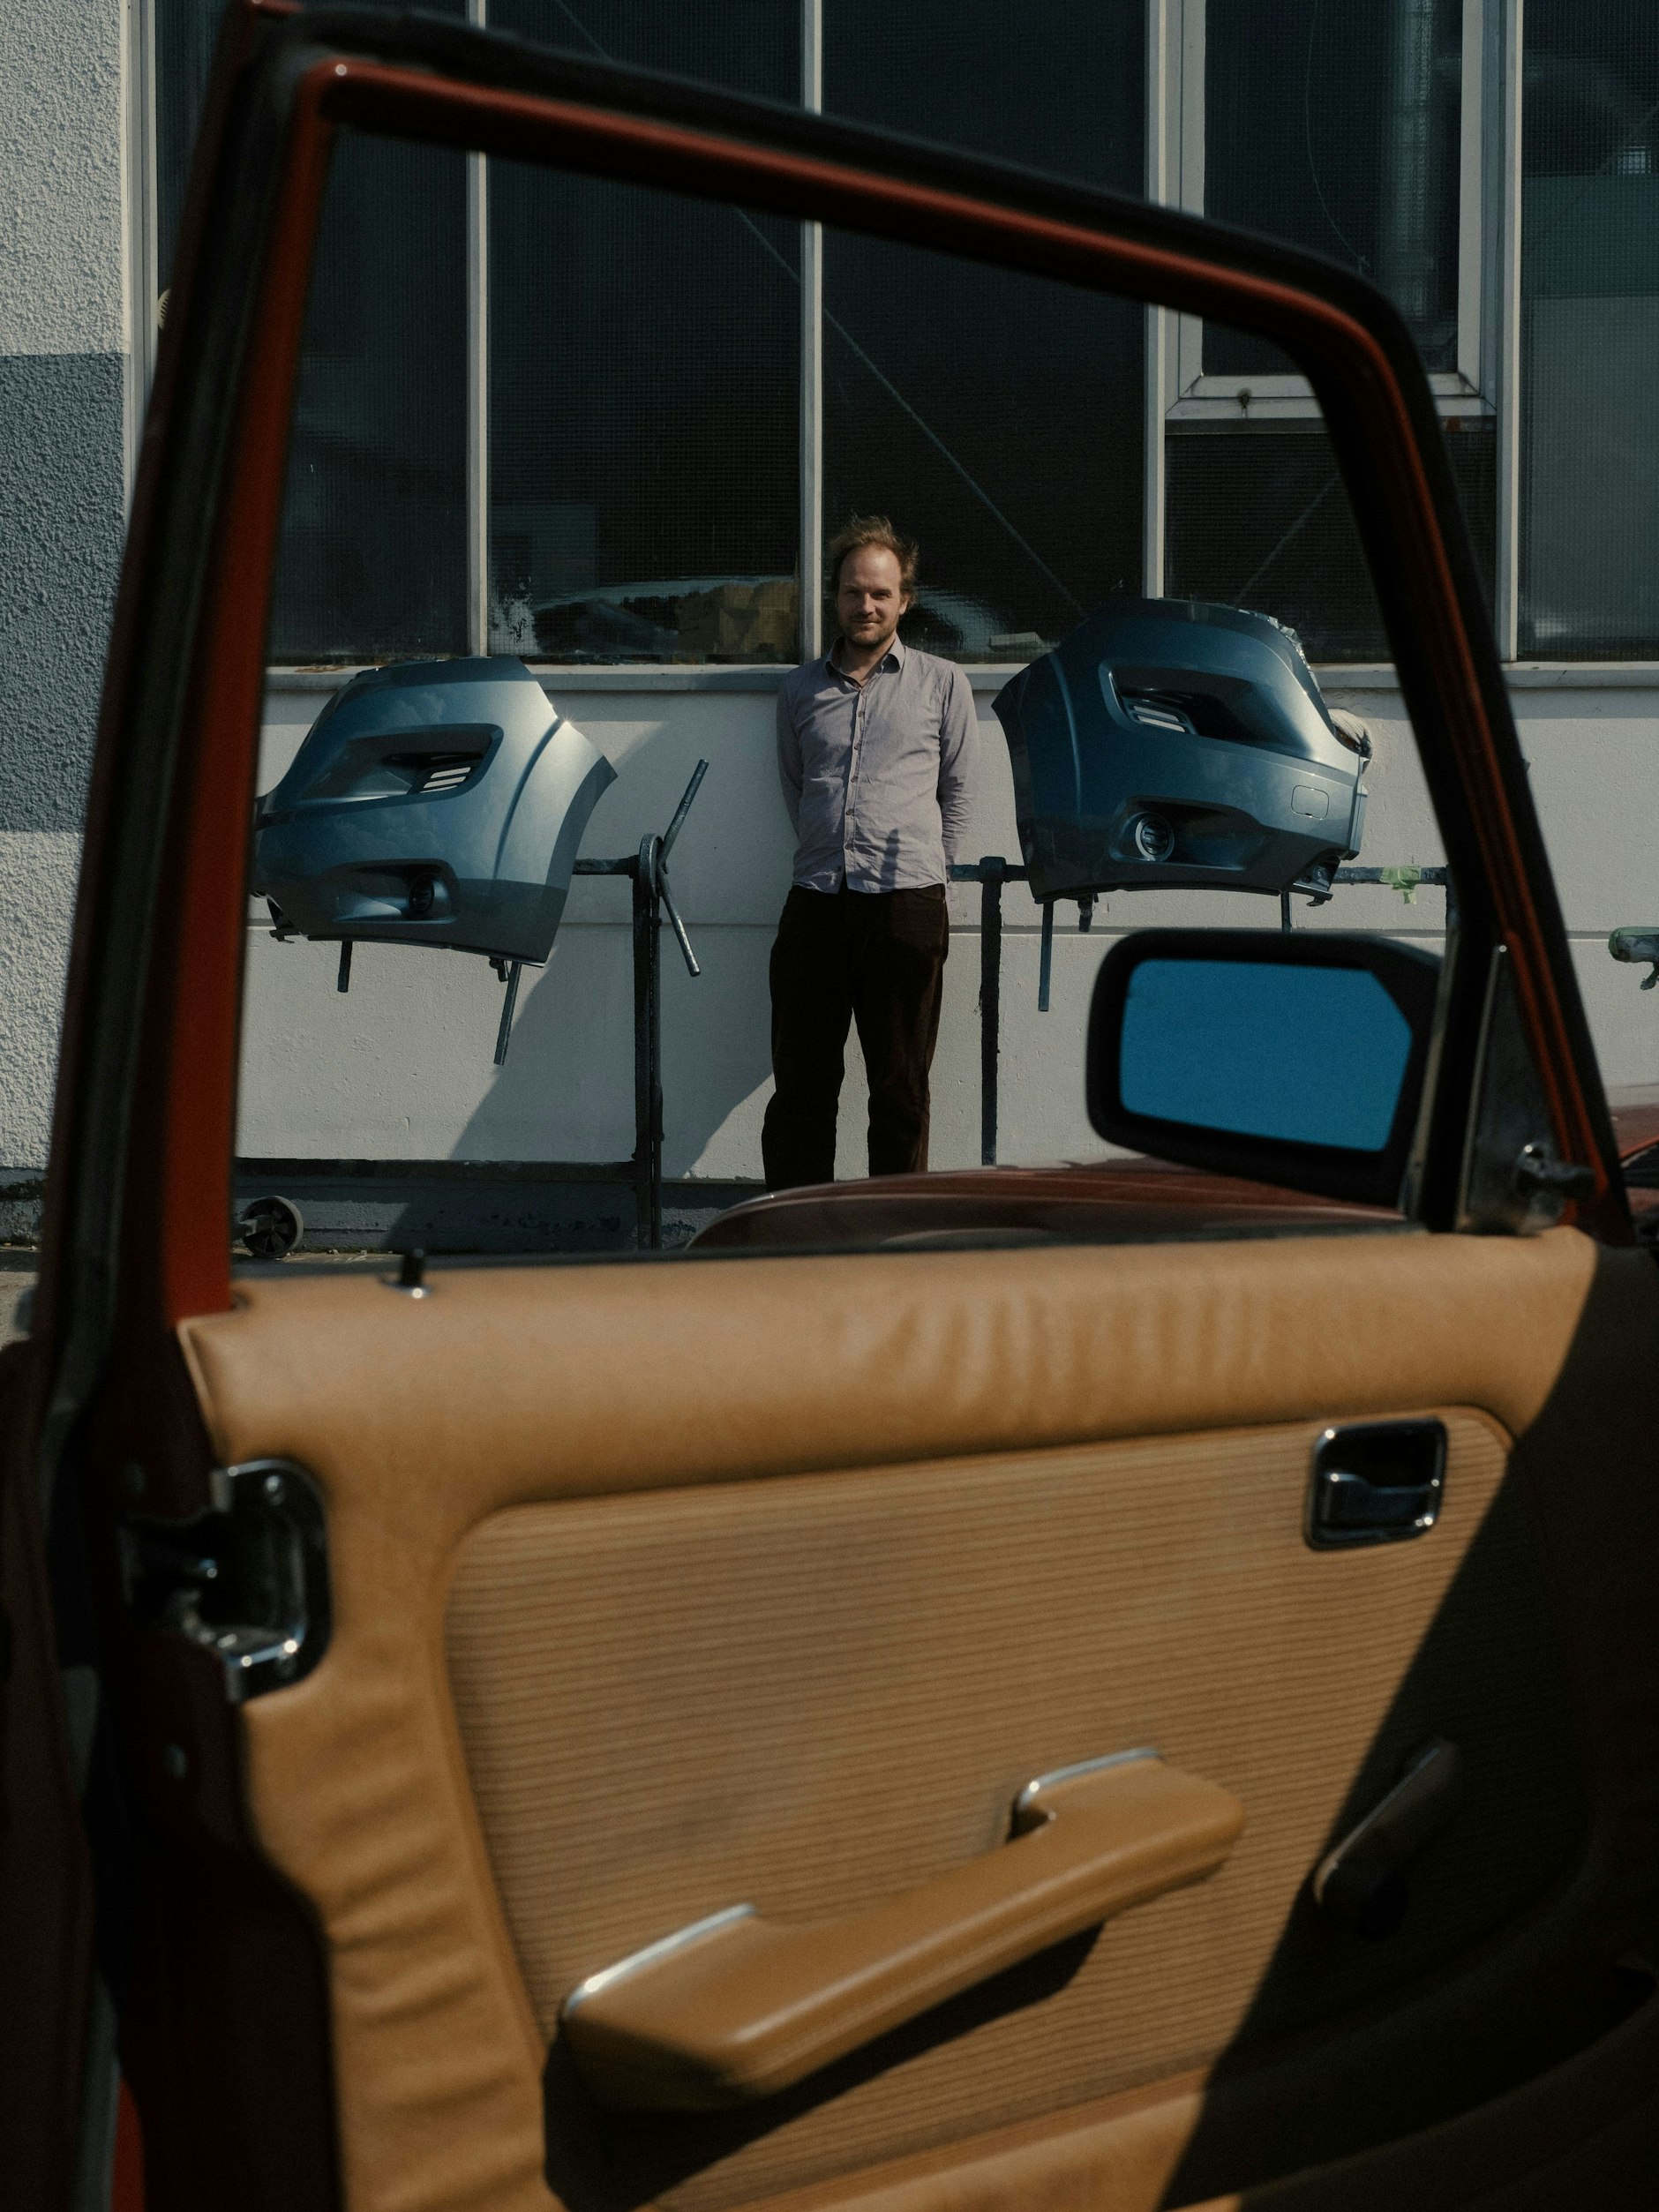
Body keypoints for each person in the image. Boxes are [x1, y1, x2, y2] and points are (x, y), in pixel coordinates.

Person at [762, 516, 977, 1190]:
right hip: (816, 904)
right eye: (854, 591)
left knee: (900, 1088)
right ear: (836, 596)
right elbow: (797, 785)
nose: (867, 605)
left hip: (906, 907)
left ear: (904, 600)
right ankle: (800, 1227)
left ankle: (892, 1228)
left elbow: (959, 792)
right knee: (801, 1087)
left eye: (881, 593)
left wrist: (930, 878)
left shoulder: (943, 683)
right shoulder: (799, 691)